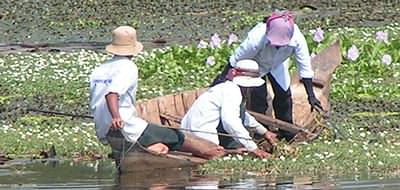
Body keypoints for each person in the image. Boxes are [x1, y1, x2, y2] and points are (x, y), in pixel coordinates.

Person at [89, 26, 224, 161]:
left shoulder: (100, 69)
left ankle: (153, 147)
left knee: (159, 143)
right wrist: (116, 117)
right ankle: (215, 153)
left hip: (104, 131)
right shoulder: (128, 66)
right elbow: (111, 94)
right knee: (178, 137)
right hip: (129, 128)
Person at [211, 10, 323, 141]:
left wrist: (311, 96)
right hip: (256, 64)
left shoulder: (298, 40)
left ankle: (287, 132)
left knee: (284, 96)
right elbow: (236, 61)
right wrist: (222, 80)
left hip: (278, 65)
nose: (276, 47)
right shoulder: (255, 39)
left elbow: (304, 68)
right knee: (258, 99)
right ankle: (261, 134)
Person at [181, 59, 278, 159]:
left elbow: (243, 116)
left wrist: (263, 131)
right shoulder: (232, 92)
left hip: (188, 132)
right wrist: (252, 148)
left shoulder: (226, 88)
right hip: (202, 135)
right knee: (221, 156)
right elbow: (230, 122)